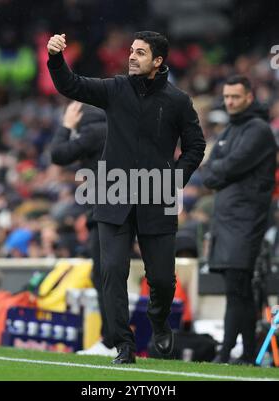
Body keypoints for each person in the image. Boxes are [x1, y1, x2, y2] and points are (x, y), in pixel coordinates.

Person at [47, 31, 205, 364]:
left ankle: (159, 321)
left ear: (157, 62)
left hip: (156, 197)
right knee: (112, 271)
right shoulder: (114, 89)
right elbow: (71, 85)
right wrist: (56, 58)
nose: (132, 57)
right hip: (112, 196)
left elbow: (196, 146)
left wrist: (175, 179)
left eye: (141, 53)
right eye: (131, 51)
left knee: (161, 278)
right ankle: (124, 344)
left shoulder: (177, 100)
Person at [202, 75, 277, 364]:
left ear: (249, 97)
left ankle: (225, 354)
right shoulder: (230, 129)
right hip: (227, 218)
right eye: (227, 97)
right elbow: (210, 171)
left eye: (236, 96)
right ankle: (246, 354)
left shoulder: (257, 129)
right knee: (238, 289)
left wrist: (218, 169)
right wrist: (218, 169)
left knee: (238, 288)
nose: (230, 102)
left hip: (246, 218)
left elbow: (230, 165)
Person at [50, 101, 117, 356]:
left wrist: (66, 127)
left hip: (106, 211)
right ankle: (115, 338)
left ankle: (112, 340)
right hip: (120, 208)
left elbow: (58, 154)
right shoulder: (111, 129)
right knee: (108, 276)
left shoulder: (93, 132)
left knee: (104, 276)